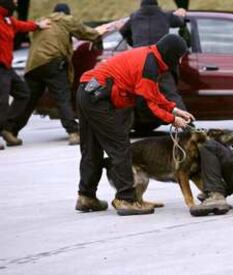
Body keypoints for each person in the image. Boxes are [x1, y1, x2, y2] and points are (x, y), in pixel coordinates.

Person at [75, 34, 195, 216]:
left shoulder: (149, 58)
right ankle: (126, 199)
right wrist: (172, 119)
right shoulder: (150, 66)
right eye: (179, 56)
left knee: (92, 148)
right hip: (99, 95)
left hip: (87, 91)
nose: (179, 61)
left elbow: (153, 94)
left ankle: (86, 197)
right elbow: (151, 104)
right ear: (170, 54)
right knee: (121, 146)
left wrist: (174, 110)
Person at [3, 3, 110, 146]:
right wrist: (98, 33)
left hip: (33, 65)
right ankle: (73, 133)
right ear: (66, 13)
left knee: (29, 100)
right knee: (62, 98)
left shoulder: (43, 20)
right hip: (52, 62)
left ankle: (10, 130)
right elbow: (84, 32)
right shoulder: (65, 19)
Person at [119, 0, 188, 134]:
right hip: (161, 59)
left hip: (138, 61)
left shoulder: (134, 17)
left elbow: (123, 31)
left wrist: (132, 43)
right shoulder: (165, 15)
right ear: (156, 3)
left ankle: (121, 131)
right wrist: (182, 13)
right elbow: (179, 22)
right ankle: (188, 130)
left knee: (135, 95)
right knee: (170, 94)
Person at [0, 0, 50, 149]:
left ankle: (6, 128)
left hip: (7, 68)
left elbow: (21, 26)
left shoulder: (8, 20)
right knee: (1, 102)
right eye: (13, 0)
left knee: (23, 93)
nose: (16, 2)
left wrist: (37, 26)